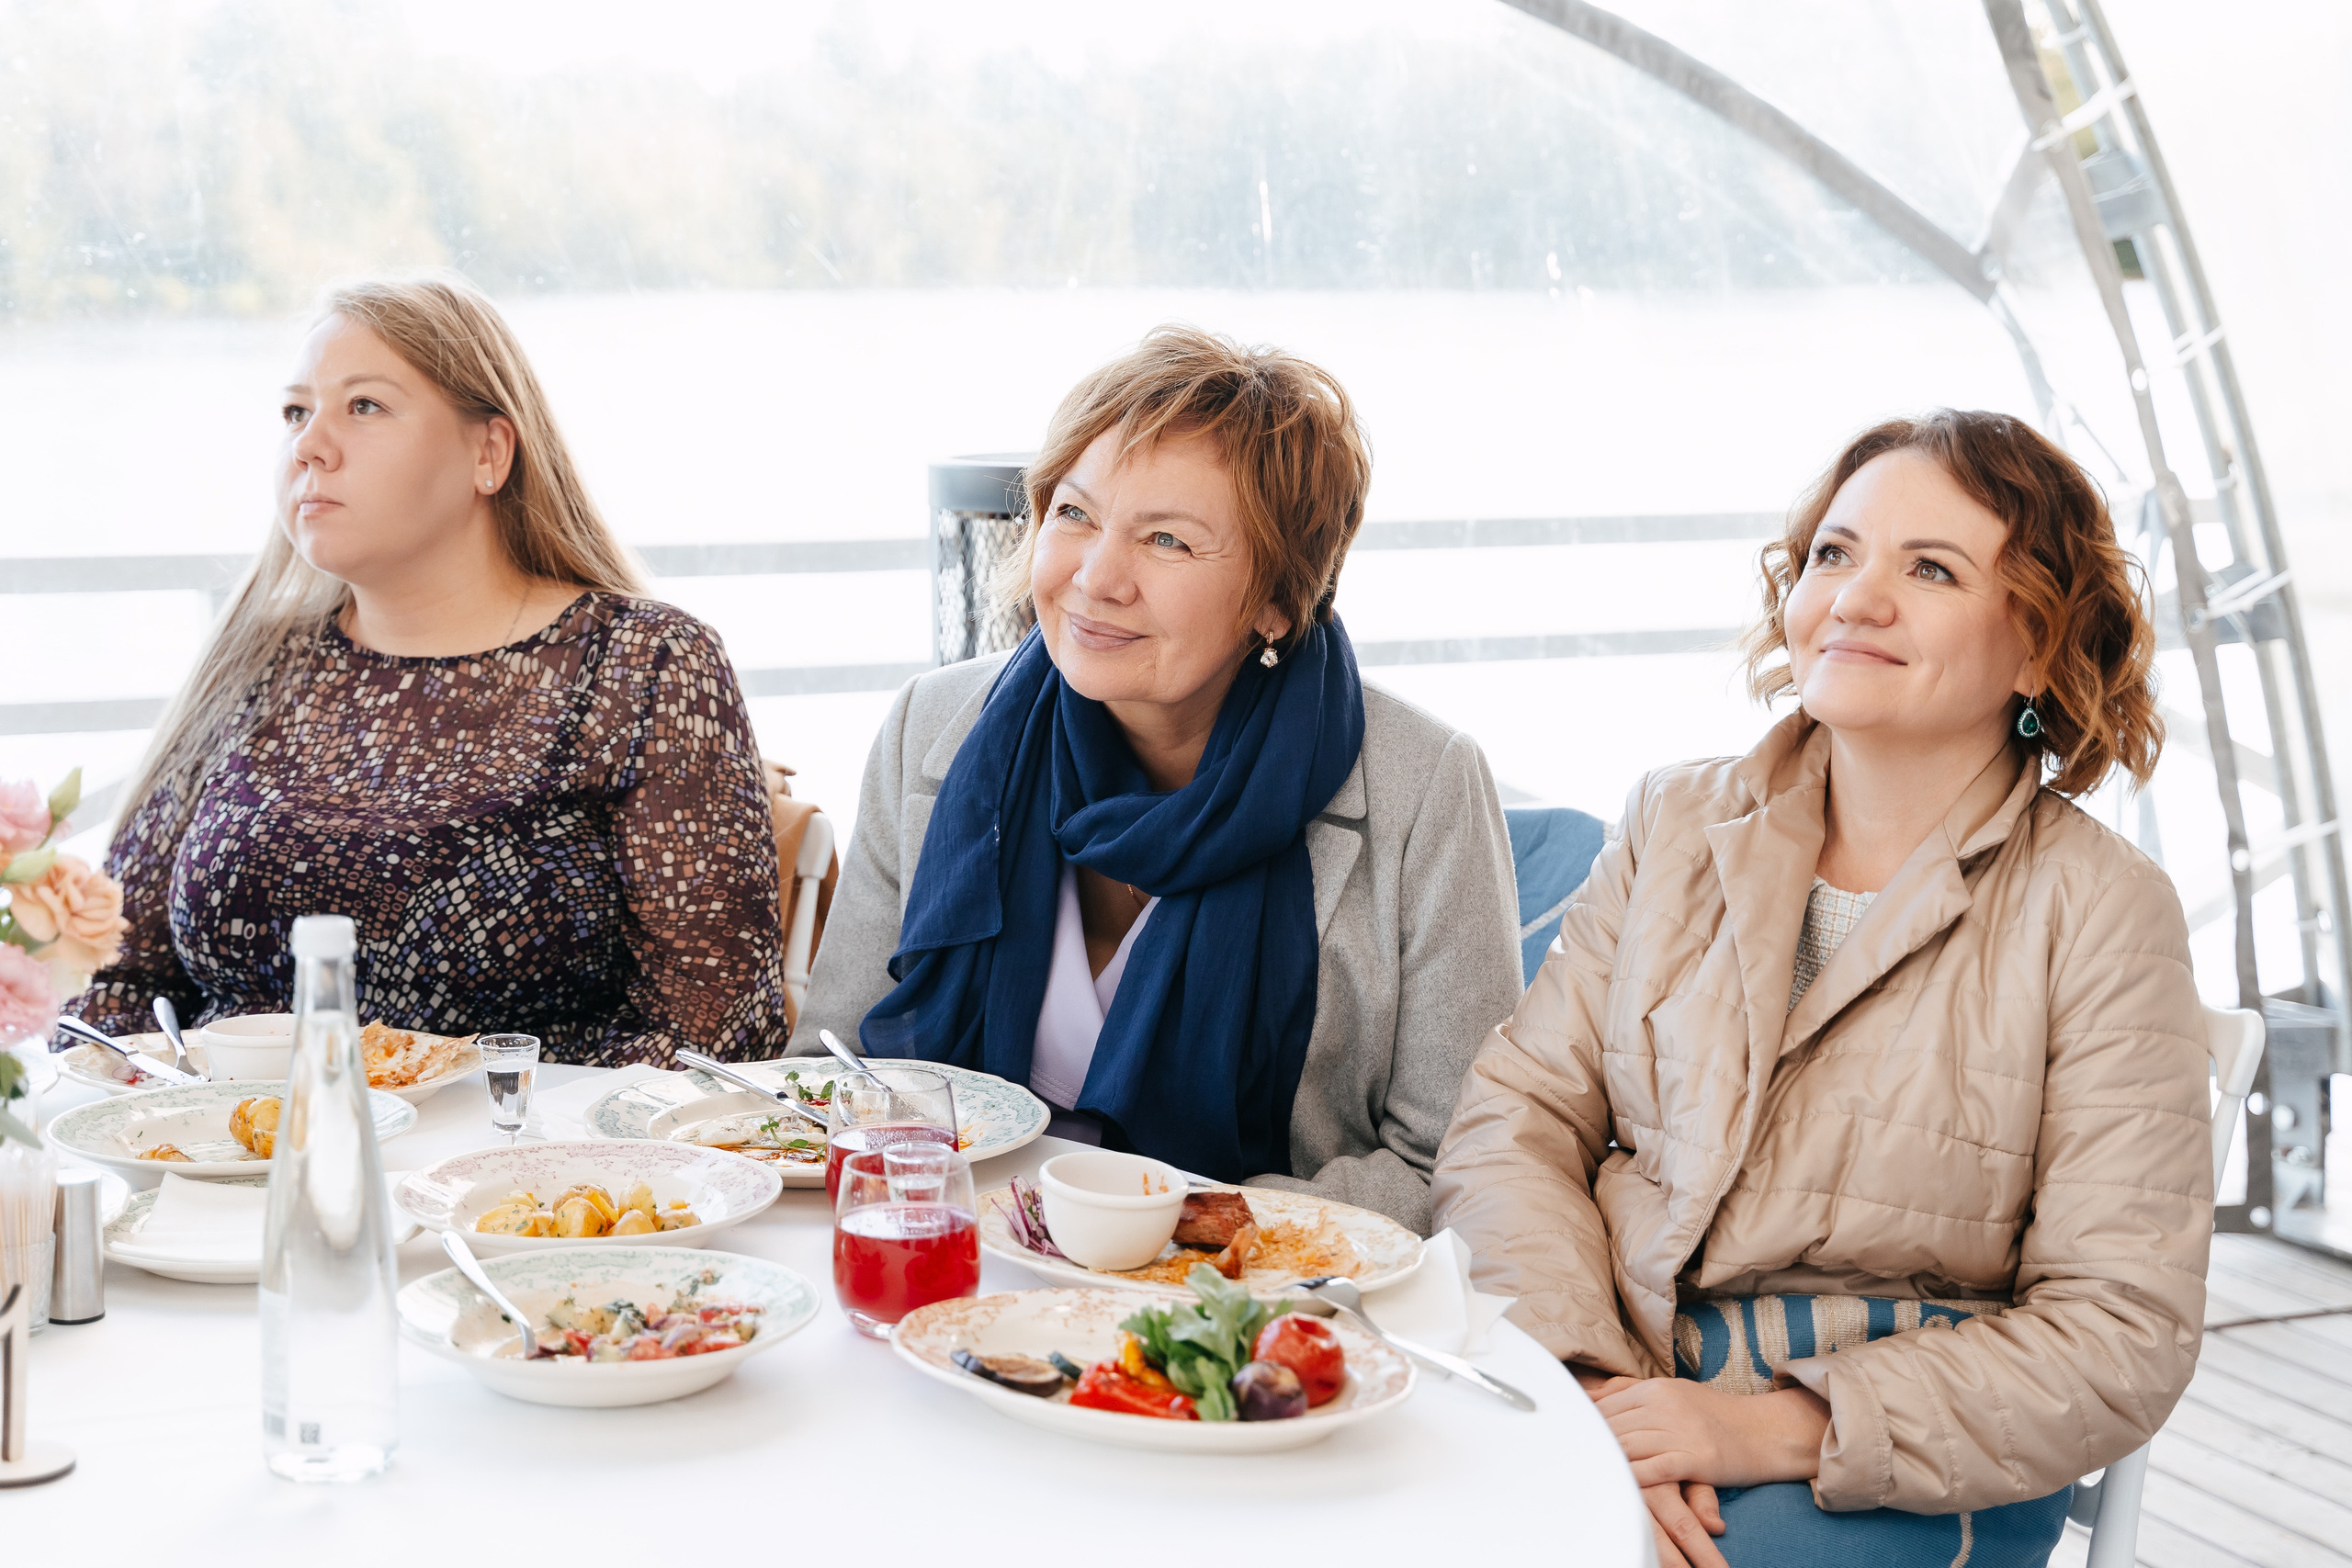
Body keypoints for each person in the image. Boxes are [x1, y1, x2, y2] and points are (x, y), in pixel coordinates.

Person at [1431, 411, 2211, 1567]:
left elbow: (2117, 1327)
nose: (1853, 598)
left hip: (1899, 1455)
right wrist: (1591, 1392)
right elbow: (1517, 1121)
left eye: (1930, 569)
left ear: (2043, 646)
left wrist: (1766, 1430)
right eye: (1833, 555)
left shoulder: (2102, 909)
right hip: (1621, 1379)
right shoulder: (1673, 823)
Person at [799, 326, 1521, 1231]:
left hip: (1246, 1319)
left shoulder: (1423, 786)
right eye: (1074, 514)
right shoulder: (932, 728)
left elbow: (1460, 1164)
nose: (1096, 578)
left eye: (1168, 541)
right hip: (956, 1272)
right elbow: (831, 1077)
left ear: (1278, 600)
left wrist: (1179, 1230)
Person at [67, 274, 788, 1066]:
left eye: (364, 406)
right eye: (296, 411)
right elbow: (115, 984)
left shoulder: (645, 663)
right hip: (226, 1164)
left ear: (489, 453)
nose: (309, 444)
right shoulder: (253, 663)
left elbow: (714, 1037)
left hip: (518, 1172)